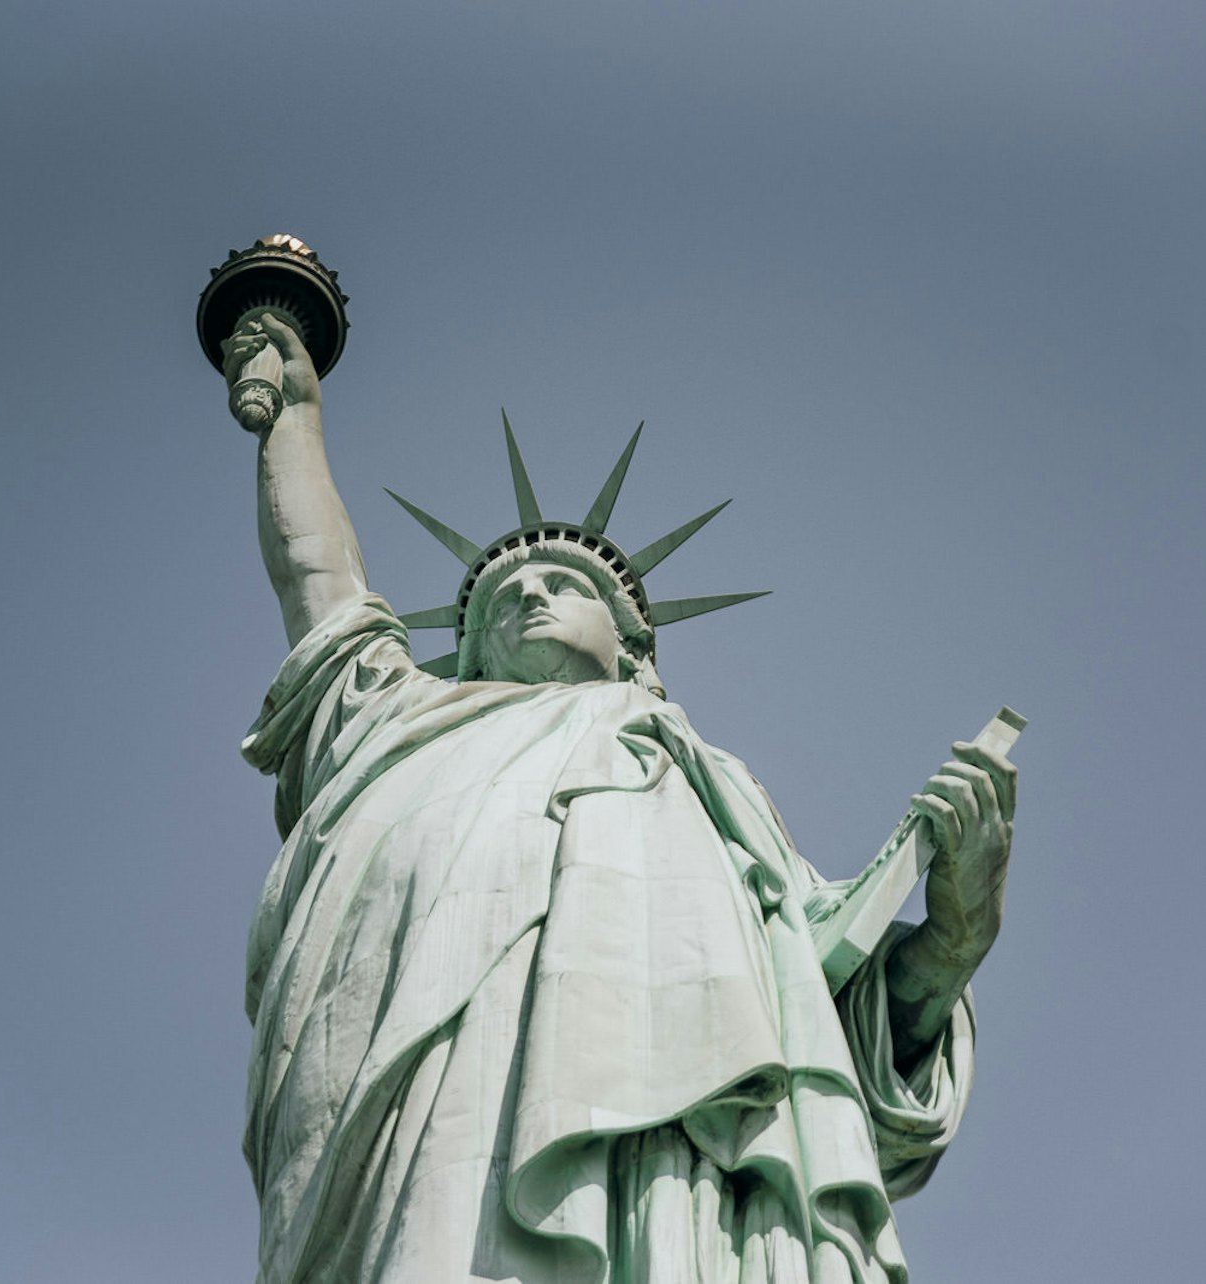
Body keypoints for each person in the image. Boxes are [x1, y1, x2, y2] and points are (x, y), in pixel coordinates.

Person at [224, 315, 1017, 1284]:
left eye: (561, 583)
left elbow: (828, 1005)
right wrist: (295, 420)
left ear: (634, 649)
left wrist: (949, 938)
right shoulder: (403, 725)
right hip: (435, 1128)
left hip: (689, 1159)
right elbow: (322, 588)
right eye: (498, 600)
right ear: (464, 656)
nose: (526, 599)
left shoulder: (712, 794)